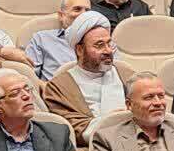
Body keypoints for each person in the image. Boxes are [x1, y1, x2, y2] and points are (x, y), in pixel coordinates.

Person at [43, 12, 135, 141]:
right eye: (99, 45)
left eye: (109, 44)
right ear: (79, 50)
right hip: (91, 148)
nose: (108, 51)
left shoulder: (127, 74)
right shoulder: (58, 87)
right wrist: (114, 121)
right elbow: (69, 127)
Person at [25, 0, 88, 81]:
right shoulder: (42, 38)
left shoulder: (101, 40)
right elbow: (30, 76)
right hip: (55, 88)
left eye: (87, 11)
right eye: (77, 9)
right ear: (61, 15)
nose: (84, 14)